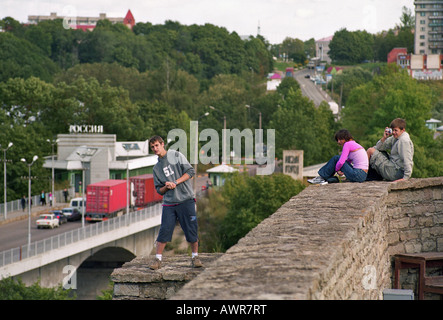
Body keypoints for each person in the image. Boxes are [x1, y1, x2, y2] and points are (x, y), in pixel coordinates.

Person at [148, 135, 203, 270]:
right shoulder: (156, 168)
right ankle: (158, 259)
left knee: (191, 228)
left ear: (162, 144)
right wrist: (166, 187)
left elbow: (191, 171)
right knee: (165, 229)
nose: (155, 149)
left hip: (186, 199)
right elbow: (159, 190)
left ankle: (195, 256)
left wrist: (175, 182)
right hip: (169, 203)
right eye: (152, 147)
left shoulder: (175, 155)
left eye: (156, 145)